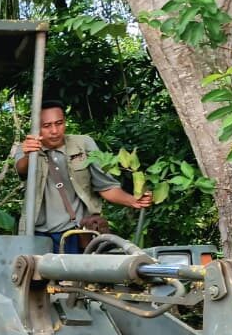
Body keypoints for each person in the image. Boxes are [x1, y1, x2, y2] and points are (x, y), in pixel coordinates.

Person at [15, 100, 151, 253]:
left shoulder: (84, 144)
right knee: (39, 275)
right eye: (47, 126)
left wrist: (133, 201)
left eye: (59, 123)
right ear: (37, 128)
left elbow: (105, 186)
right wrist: (28, 155)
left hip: (77, 232)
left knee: (77, 276)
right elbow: (21, 169)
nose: (54, 130)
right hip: (38, 235)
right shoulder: (26, 148)